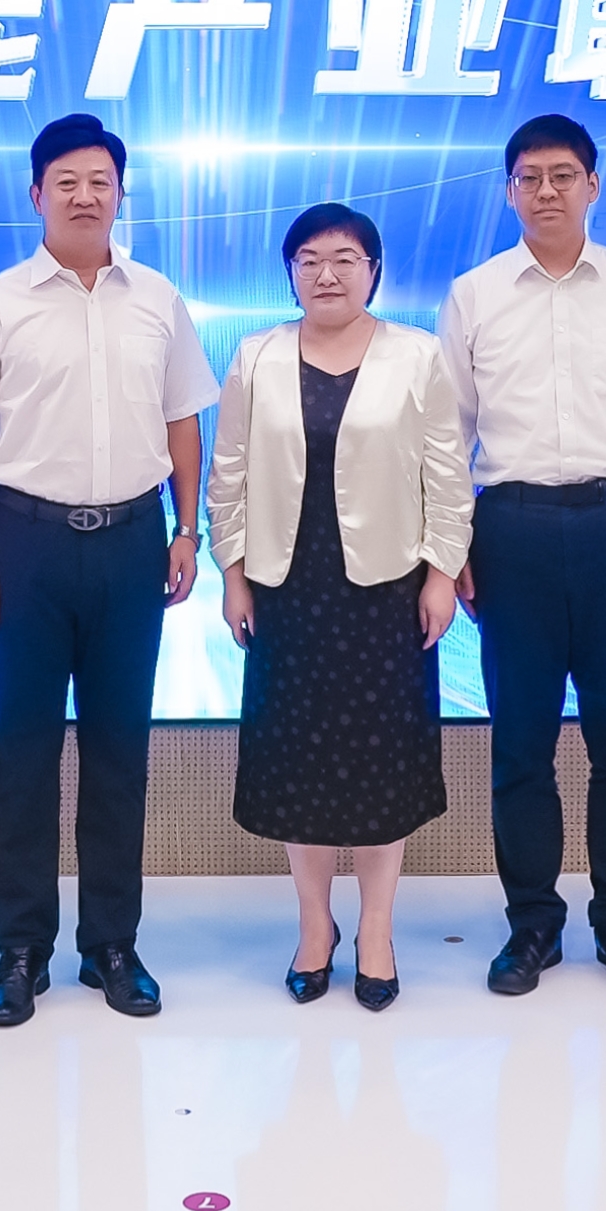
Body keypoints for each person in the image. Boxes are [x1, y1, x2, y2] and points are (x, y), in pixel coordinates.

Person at [0, 112, 217, 1028]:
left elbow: (183, 420)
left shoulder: (158, 299)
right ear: (36, 194)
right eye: (66, 181)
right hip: (25, 545)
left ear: (121, 192)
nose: (84, 195)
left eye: (100, 180)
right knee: (22, 754)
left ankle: (111, 945)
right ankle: (20, 949)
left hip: (133, 542)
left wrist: (187, 531)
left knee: (118, 754)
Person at [440, 113, 606, 997]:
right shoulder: (474, 294)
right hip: (509, 532)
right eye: (528, 177)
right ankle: (532, 927)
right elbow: (448, 437)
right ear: (508, 191)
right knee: (520, 744)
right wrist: (452, 545)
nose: (545, 191)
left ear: (593, 185)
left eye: (562, 175)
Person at [213, 202, 468, 1012]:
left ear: (373, 271)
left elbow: (446, 475)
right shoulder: (255, 356)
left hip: (387, 590)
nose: (327, 273)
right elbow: (229, 472)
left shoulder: (416, 355)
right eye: (310, 259)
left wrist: (440, 574)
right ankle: (314, 926)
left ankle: (377, 931)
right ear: (290, 273)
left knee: (381, 768)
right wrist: (232, 573)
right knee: (300, 767)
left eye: (345, 258)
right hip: (288, 590)